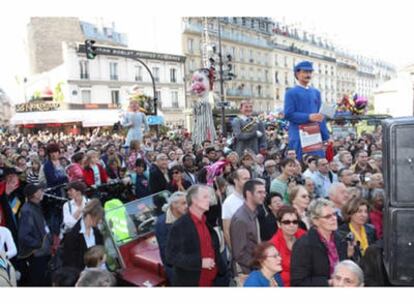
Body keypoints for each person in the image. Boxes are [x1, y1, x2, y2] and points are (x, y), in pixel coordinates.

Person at [165, 185, 227, 286]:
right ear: (194, 200)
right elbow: (171, 256)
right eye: (205, 197)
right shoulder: (180, 226)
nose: (209, 200)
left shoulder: (205, 221)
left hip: (212, 281)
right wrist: (200, 262)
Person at [290, 198, 351, 286]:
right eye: (328, 216)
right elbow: (298, 283)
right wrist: (328, 282)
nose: (334, 218)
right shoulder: (303, 245)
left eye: (334, 214)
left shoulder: (340, 238)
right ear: (315, 221)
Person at [284, 61, 330, 161]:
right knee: (301, 162)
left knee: (318, 162)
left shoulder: (316, 92)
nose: (308, 75)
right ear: (297, 73)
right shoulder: (290, 92)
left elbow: (320, 115)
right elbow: (288, 114)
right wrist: (308, 117)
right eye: (305, 72)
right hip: (299, 134)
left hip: (315, 135)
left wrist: (326, 136)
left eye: (310, 72)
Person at [18, 183, 52, 286]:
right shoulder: (27, 210)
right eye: (39, 191)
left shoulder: (36, 206)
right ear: (33, 194)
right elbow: (24, 236)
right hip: (36, 256)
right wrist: (40, 244)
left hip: (42, 253)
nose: (42, 192)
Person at [230, 179, 266, 275]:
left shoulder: (253, 213)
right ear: (249, 194)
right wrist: (260, 265)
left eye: (264, 192)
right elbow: (239, 254)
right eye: (259, 192)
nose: (264, 195)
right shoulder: (241, 219)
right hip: (247, 272)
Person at [62, 199, 104, 271]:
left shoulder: (97, 233)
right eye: (98, 218)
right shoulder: (72, 236)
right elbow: (71, 264)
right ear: (88, 216)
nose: (100, 221)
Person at [155, 192, 187, 283]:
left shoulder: (186, 216)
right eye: (184, 203)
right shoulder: (162, 223)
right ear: (174, 205)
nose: (187, 206)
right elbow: (166, 253)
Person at [270, 206, 306, 286]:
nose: (291, 225)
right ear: (279, 224)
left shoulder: (304, 235)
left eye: (295, 222)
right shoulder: (273, 245)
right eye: (287, 222)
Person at [222, 168, 251, 248]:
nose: (248, 181)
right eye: (245, 179)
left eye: (249, 178)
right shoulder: (229, 202)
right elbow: (227, 231)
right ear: (235, 180)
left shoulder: (253, 197)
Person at [190, 68, 217, 147]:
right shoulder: (197, 103)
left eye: (200, 80)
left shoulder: (208, 102)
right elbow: (194, 119)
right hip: (198, 133)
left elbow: (209, 122)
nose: (195, 84)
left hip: (205, 135)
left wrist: (212, 136)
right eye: (193, 82)